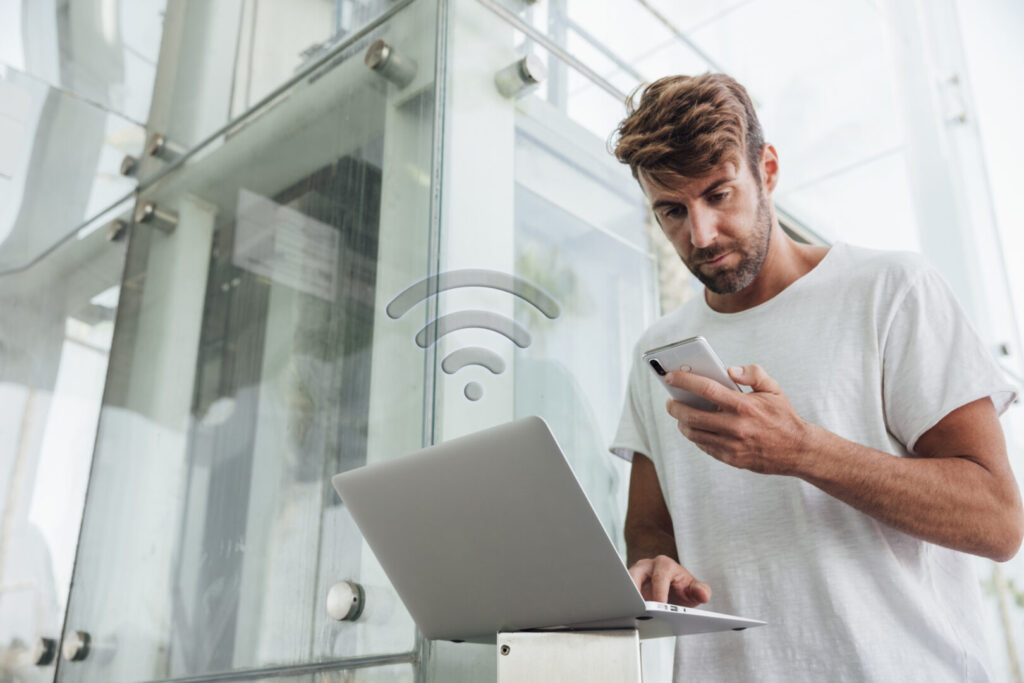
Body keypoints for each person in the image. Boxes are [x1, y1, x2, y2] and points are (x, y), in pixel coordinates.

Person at [609, 72, 1023, 682]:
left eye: (719, 195)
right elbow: (650, 528)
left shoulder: (890, 292)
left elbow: (997, 521)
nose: (699, 235)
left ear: (767, 170)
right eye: (672, 210)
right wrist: (654, 565)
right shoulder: (658, 349)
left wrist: (802, 450)